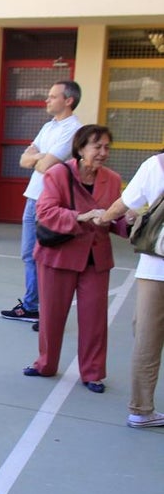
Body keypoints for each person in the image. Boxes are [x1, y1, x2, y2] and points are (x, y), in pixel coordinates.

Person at [22, 125, 125, 394]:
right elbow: (45, 211)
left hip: (96, 257)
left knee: (94, 319)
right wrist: (79, 217)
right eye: (97, 147)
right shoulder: (58, 173)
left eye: (107, 147)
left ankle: (92, 373)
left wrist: (130, 221)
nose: (103, 153)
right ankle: (45, 363)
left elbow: (115, 217)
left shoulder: (112, 179)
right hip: (58, 255)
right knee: (52, 316)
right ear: (80, 149)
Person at [0, 80, 83, 325]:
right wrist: (38, 158)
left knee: (47, 257)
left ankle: (48, 311)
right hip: (33, 197)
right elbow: (25, 159)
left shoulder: (74, 130)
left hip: (51, 202)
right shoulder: (48, 126)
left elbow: (46, 165)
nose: (47, 100)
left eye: (52, 96)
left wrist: (37, 159)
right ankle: (31, 305)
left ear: (68, 100)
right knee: (29, 254)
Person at [96, 151, 164, 426]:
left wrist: (101, 219)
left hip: (156, 266)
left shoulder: (156, 165)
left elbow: (122, 205)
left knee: (147, 339)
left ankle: (141, 409)